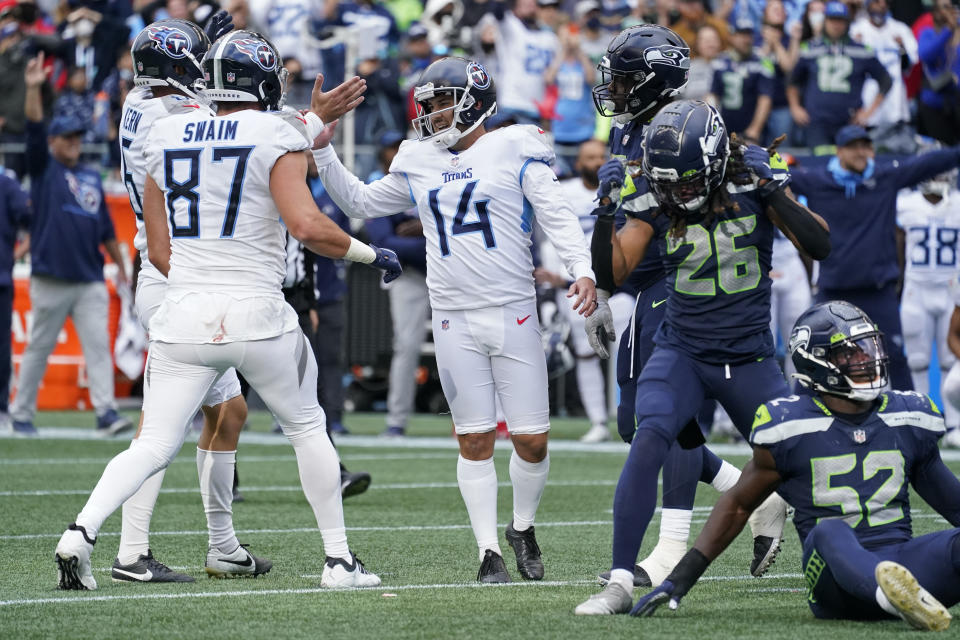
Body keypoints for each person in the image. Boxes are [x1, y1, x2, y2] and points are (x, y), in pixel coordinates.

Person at [53, 29, 398, 591]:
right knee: (309, 426)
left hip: (181, 311)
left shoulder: (162, 131)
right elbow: (308, 227)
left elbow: (159, 249)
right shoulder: (274, 130)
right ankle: (338, 561)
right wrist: (370, 253)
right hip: (258, 314)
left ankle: (80, 534)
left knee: (153, 443)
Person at [312, 56, 598, 583]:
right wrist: (324, 147)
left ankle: (522, 527)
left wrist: (582, 269)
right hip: (452, 316)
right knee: (474, 438)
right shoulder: (418, 157)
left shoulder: (514, 145)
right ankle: (487, 552)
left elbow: (557, 214)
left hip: (512, 309)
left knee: (533, 439)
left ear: (475, 101)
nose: (434, 113)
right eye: (430, 104)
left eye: (443, 102)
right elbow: (359, 201)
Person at [575, 99, 832, 615]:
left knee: (801, 466)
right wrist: (605, 216)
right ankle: (620, 582)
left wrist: (775, 192)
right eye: (673, 182)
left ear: (716, 159)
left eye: (692, 180)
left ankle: (841, 570)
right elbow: (615, 273)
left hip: (751, 357)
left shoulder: (749, 175)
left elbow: (820, 243)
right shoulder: (654, 183)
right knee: (648, 436)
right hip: (683, 350)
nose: (682, 192)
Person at [586, 25, 787, 590]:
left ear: (656, 81)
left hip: (686, 285)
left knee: (671, 425)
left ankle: (672, 546)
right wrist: (600, 284)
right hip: (642, 281)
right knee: (636, 423)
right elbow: (623, 221)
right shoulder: (631, 131)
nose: (615, 90)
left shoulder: (692, 129)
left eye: (625, 80)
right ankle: (741, 491)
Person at [631, 301, 959, 633]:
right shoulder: (791, 425)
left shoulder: (906, 418)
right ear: (818, 362)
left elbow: (953, 502)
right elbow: (738, 504)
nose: (866, 358)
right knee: (829, 531)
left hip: (903, 561)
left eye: (868, 347)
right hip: (835, 587)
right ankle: (891, 599)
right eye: (851, 353)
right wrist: (680, 579)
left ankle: (903, 596)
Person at [110, 15, 267, 583]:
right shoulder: (172, 117)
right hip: (176, 272)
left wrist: (195, 37)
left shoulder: (139, 102)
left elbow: (176, 86)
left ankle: (223, 547)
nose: (204, 77)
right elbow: (237, 123)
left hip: (168, 270)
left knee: (229, 413)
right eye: (194, 66)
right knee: (160, 426)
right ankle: (130, 550)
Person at [11, 51, 132, 437]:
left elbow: (106, 228)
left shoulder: (90, 176)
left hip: (90, 276)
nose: (74, 142)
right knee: (39, 348)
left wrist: (123, 266)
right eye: (67, 137)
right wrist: (33, 88)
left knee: (98, 347)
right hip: (51, 275)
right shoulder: (45, 169)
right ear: (53, 141)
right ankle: (22, 412)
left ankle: (106, 413)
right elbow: (33, 128)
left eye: (78, 136)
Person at [788, 124, 960, 392]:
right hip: (833, 291)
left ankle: (912, 423)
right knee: (814, 357)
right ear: (839, 151)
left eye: (865, 146)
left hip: (877, 291)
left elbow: (928, 163)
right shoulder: (817, 181)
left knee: (899, 361)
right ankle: (799, 420)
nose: (860, 152)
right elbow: (778, 176)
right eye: (853, 146)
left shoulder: (884, 177)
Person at [533, 138, 612, 443]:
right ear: (579, 163)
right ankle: (598, 421)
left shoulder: (622, 192)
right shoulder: (565, 192)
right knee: (585, 351)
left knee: (631, 352)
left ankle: (632, 416)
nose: (597, 162)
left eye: (601, 155)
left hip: (619, 286)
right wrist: (557, 278)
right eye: (590, 157)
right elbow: (548, 237)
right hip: (576, 284)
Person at [364, 131, 430, 439]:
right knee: (406, 346)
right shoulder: (378, 183)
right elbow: (384, 244)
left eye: (399, 147)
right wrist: (431, 239)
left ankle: (470, 422)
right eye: (390, 147)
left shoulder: (430, 174)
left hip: (451, 271)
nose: (395, 152)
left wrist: (423, 229)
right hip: (410, 275)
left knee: (465, 344)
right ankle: (397, 419)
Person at [897, 163, 960, 443]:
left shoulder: (957, 203)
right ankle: (924, 420)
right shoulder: (906, 204)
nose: (940, 178)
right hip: (916, 288)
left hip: (951, 290)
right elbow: (898, 244)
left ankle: (955, 423)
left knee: (951, 358)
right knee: (918, 360)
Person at [787, 1, 892, 152]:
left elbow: (886, 80)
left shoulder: (861, 50)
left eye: (840, 20)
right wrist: (795, 107)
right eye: (832, 20)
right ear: (825, 21)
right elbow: (792, 80)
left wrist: (869, 112)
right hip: (817, 122)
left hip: (849, 121)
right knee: (821, 164)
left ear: (847, 23)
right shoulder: (809, 49)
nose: (836, 25)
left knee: (849, 164)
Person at [709, 18, 774, 144]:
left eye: (749, 35)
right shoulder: (720, 62)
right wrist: (712, 124)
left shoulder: (762, 61)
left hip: (751, 128)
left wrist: (755, 129)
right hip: (726, 126)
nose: (746, 40)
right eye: (742, 35)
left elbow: (765, 98)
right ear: (731, 37)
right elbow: (713, 95)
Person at [0, 168, 29, 433]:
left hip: (1, 279)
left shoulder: (7, 183)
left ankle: (1, 409)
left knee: (1, 348)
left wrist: (17, 253)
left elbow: (32, 218)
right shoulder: (7, 183)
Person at [916, 0, 960, 145]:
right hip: (933, 105)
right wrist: (948, 30)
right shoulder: (928, 33)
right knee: (942, 151)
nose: (950, 11)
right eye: (945, 8)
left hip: (956, 103)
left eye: (952, 7)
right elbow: (926, 55)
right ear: (935, 12)